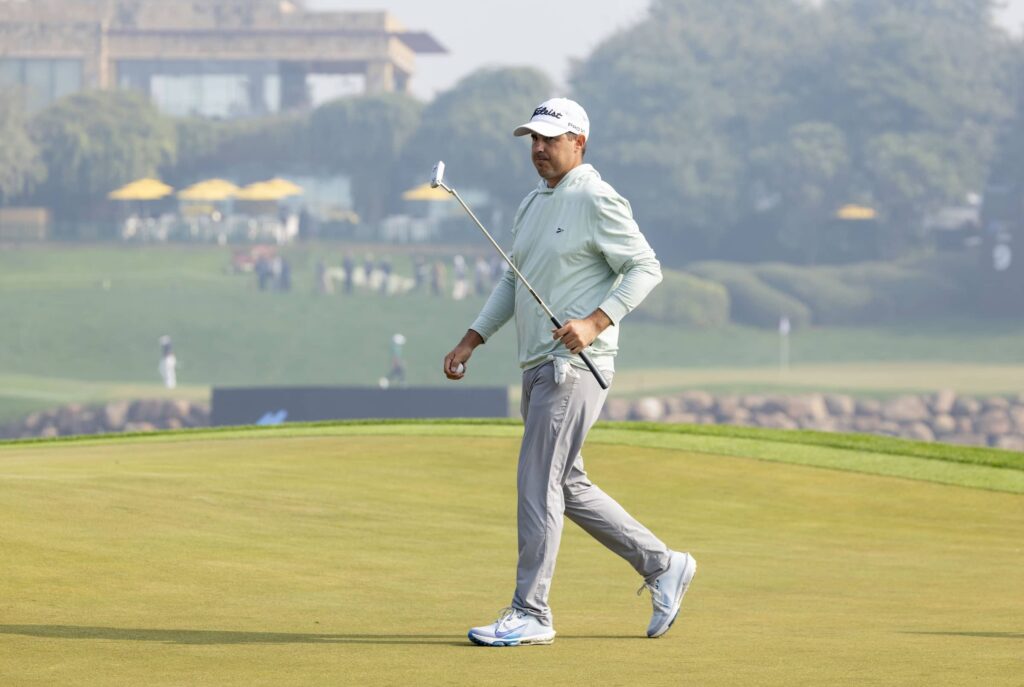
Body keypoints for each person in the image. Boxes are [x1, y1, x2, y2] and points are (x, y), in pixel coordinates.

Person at [443, 97, 696, 647]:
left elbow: (645, 267)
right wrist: (472, 338)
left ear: (578, 142)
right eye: (532, 139)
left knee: (537, 482)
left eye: (549, 139)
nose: (538, 149)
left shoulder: (596, 196)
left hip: (573, 367)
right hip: (536, 365)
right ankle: (663, 564)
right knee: (567, 484)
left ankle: (530, 611)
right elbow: (514, 281)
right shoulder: (533, 203)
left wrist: (596, 321)